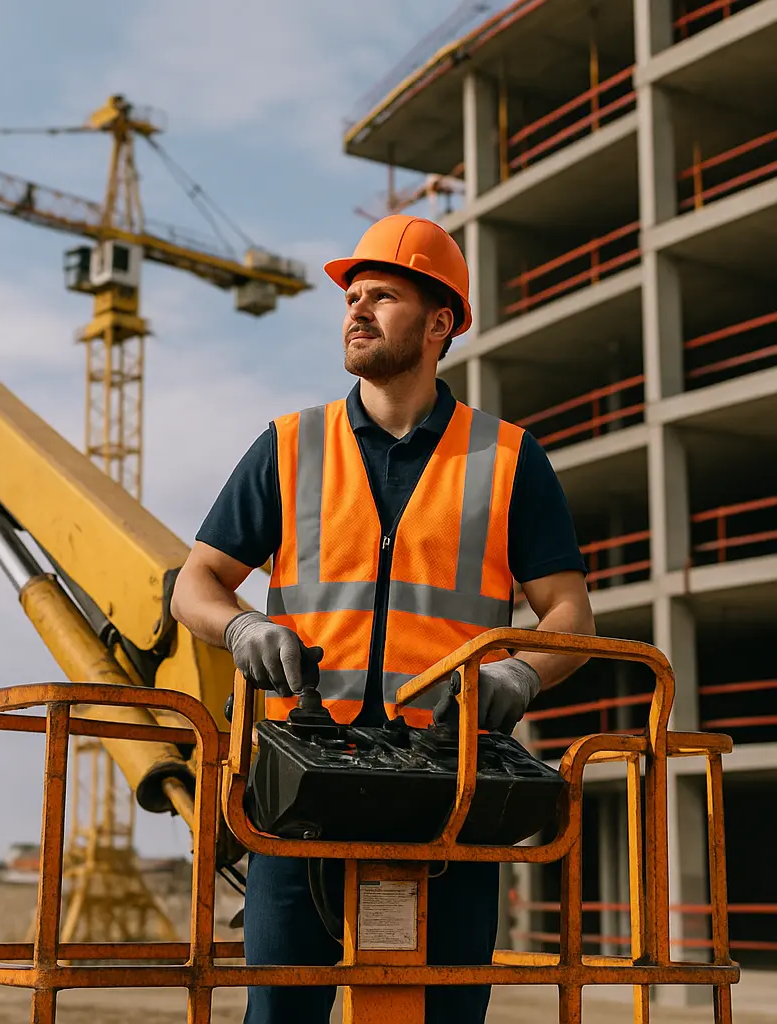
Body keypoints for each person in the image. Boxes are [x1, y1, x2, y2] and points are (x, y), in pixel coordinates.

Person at [170, 214, 595, 1023]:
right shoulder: (288, 446)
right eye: (352, 297)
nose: (357, 311)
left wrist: (520, 671)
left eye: (382, 296)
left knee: (443, 1014)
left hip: (454, 789)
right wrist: (241, 628)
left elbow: (568, 609)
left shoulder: (509, 458)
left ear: (440, 324)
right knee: (279, 1014)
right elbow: (196, 584)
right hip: (302, 792)